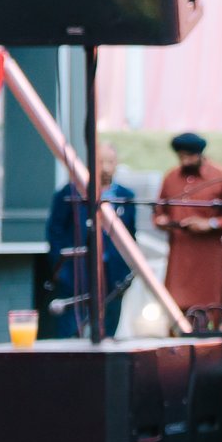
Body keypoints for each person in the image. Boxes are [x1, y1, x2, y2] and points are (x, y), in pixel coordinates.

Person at [43, 141, 136, 337]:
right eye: (101, 162)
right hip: (77, 270)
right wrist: (62, 269)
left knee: (109, 327)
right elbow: (55, 231)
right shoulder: (69, 193)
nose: (107, 168)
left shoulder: (126, 196)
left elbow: (130, 236)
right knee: (71, 327)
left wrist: (126, 270)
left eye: (111, 161)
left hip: (112, 273)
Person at [153, 132, 222, 321]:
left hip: (210, 256)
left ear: (200, 155)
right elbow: (159, 211)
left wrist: (210, 224)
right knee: (177, 307)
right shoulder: (171, 177)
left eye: (189, 156)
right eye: (181, 157)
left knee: (211, 306)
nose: (185, 161)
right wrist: (163, 221)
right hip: (180, 256)